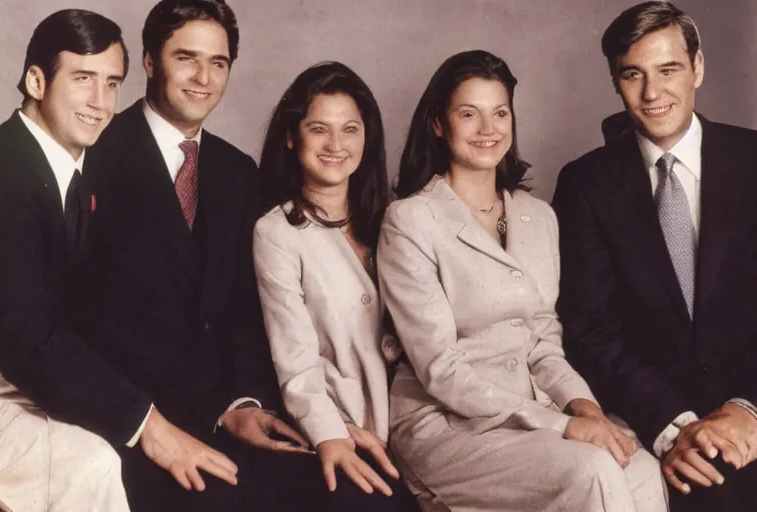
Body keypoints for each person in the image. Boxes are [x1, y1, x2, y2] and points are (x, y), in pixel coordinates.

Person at [377, 49, 668, 511]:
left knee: (641, 468)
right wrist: (561, 426)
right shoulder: (410, 220)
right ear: (438, 123)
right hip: (445, 424)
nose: (487, 129)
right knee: (589, 469)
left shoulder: (538, 217)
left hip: (531, 414)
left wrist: (584, 408)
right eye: (469, 114)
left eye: (500, 113)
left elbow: (543, 342)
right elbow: (440, 369)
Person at [75, 1, 320, 510]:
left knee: (347, 494)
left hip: (222, 413)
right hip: (126, 425)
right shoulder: (91, 155)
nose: (203, 78)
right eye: (186, 58)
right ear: (148, 61)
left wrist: (242, 402)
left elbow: (244, 311)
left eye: (219, 62)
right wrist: (161, 423)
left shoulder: (236, 170)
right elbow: (77, 323)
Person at [552, 2, 757, 511]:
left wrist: (747, 408)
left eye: (668, 70)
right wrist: (676, 429)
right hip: (664, 424)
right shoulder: (585, 185)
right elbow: (590, 332)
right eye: (633, 75)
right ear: (615, 82)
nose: (652, 93)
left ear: (698, 68)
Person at [0, 9, 142, 512]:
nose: (101, 103)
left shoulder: (79, 169)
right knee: (92, 465)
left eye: (112, 83)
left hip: (22, 381)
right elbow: (27, 340)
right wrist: (145, 423)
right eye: (83, 79)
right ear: (36, 80)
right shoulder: (0, 170)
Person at [253, 61, 419, 511]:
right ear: (292, 136)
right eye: (318, 129)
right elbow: (296, 359)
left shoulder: (399, 217)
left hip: (422, 418)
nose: (335, 145)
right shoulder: (278, 232)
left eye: (349, 129)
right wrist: (331, 434)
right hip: (345, 423)